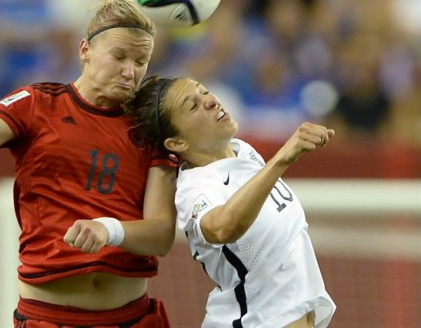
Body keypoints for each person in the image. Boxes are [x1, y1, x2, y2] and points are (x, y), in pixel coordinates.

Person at [0, 0, 178, 328]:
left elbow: (162, 235)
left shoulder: (150, 127)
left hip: (132, 318)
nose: (130, 71)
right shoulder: (36, 104)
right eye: (119, 56)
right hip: (50, 319)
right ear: (85, 49)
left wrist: (109, 230)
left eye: (140, 61)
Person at [124, 75, 337, 328]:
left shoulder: (242, 151)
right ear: (177, 142)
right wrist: (282, 159)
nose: (211, 101)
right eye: (192, 106)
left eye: (204, 92)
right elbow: (221, 228)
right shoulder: (195, 188)